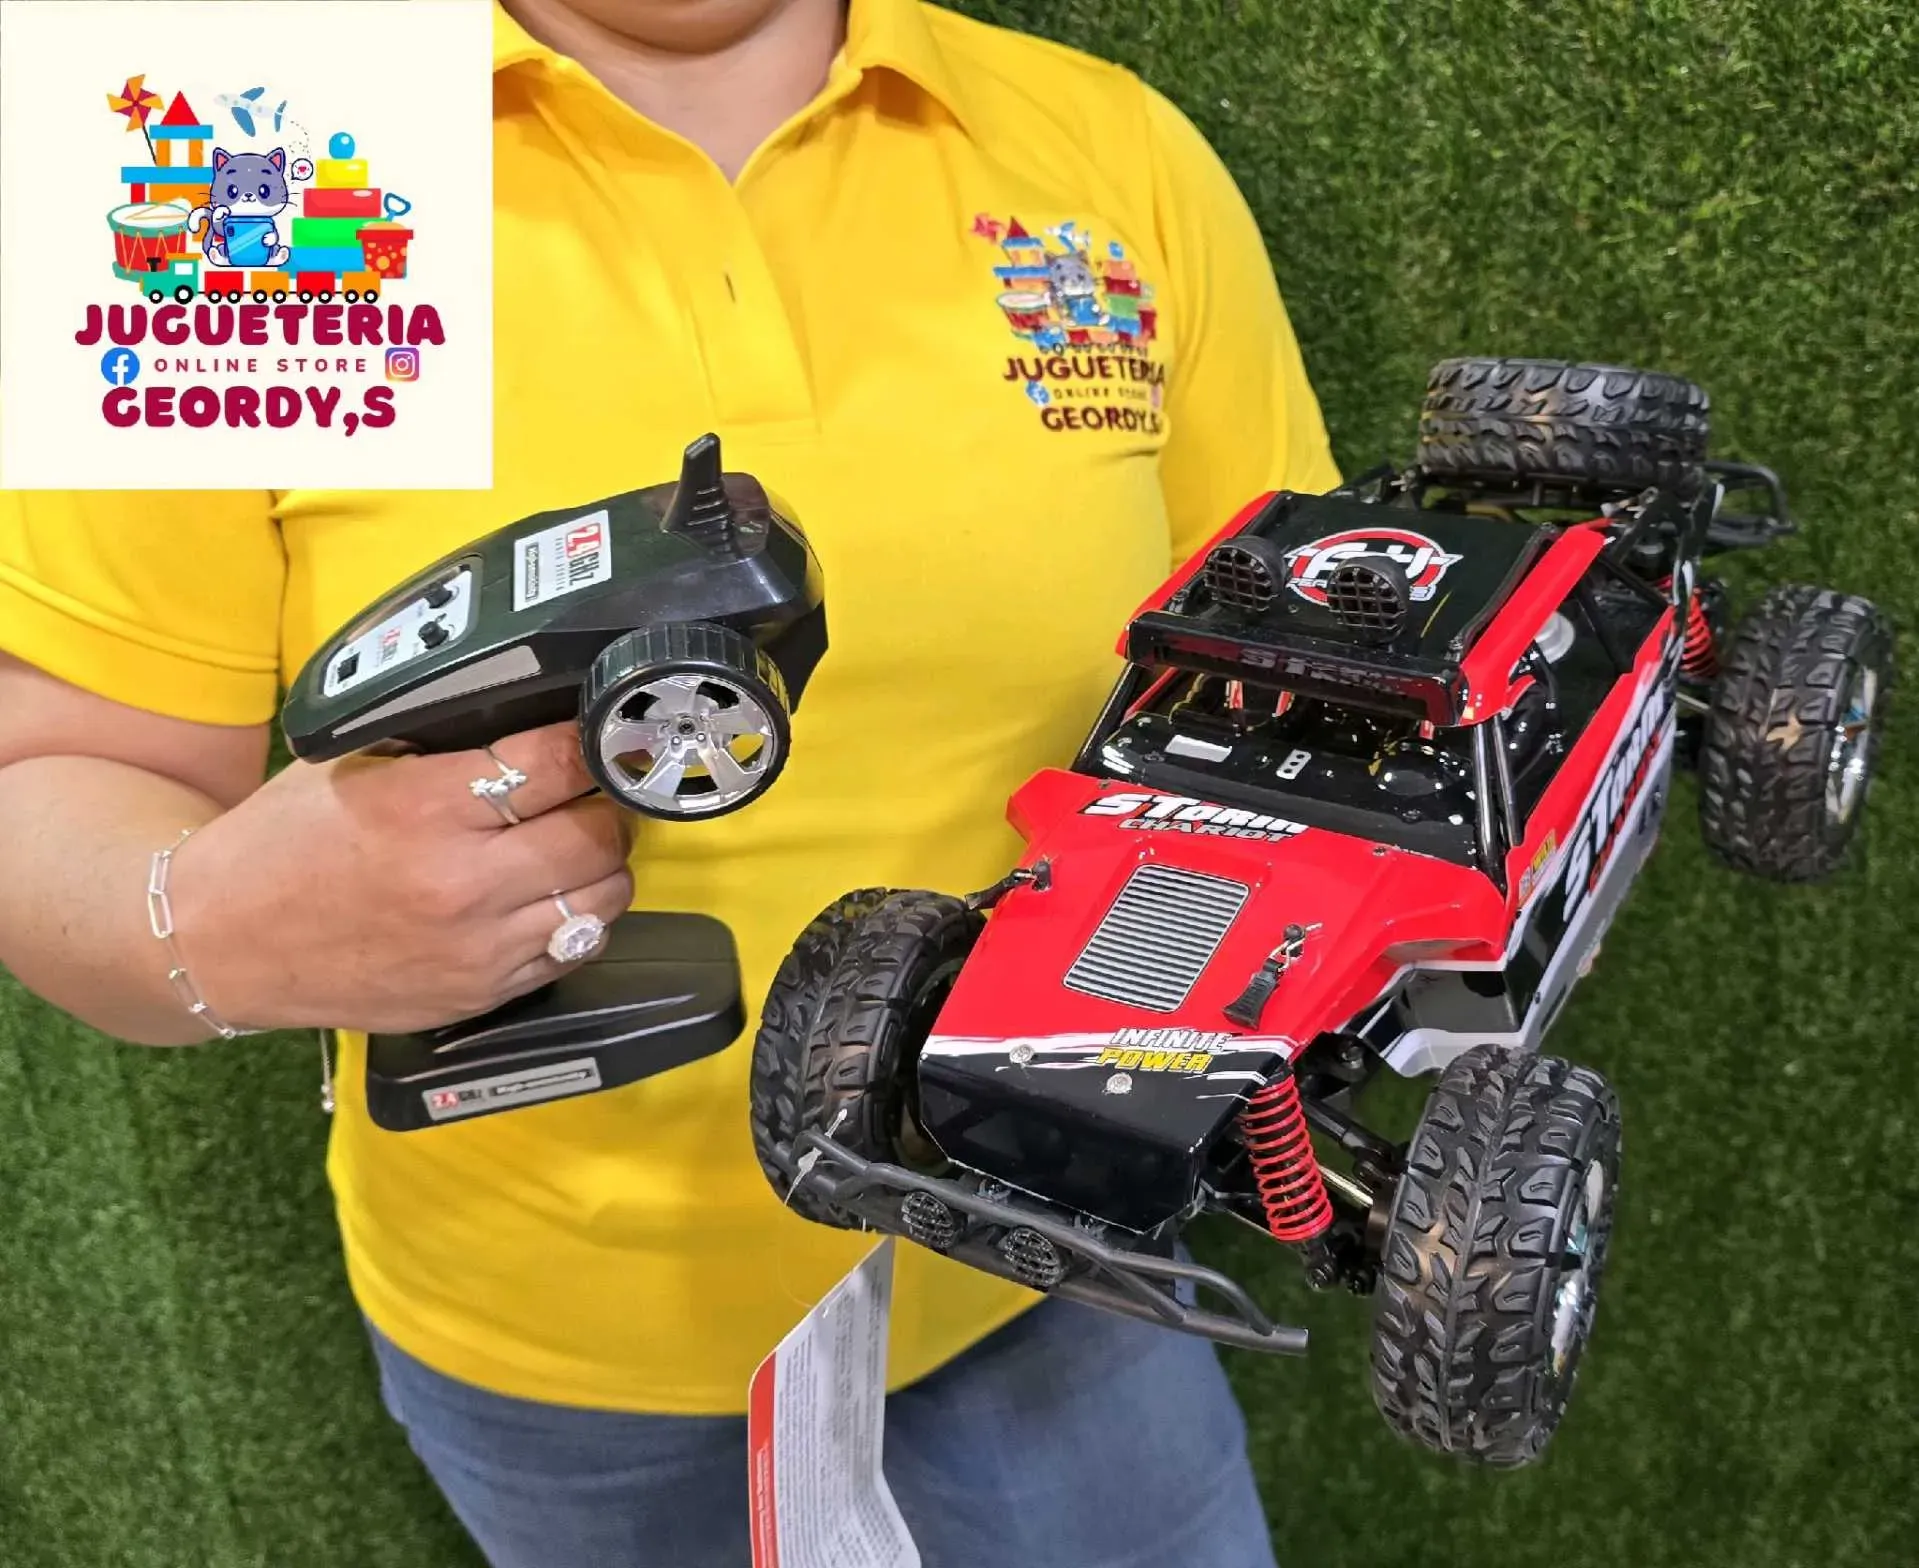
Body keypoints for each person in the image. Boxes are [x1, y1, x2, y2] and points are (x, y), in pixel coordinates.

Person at [0, 0, 1338, 1562]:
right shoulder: (245, 164)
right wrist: (205, 924)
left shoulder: (1101, 147)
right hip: (561, 1351)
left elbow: (1283, 660)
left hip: (1055, 1254)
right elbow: (60, 776)